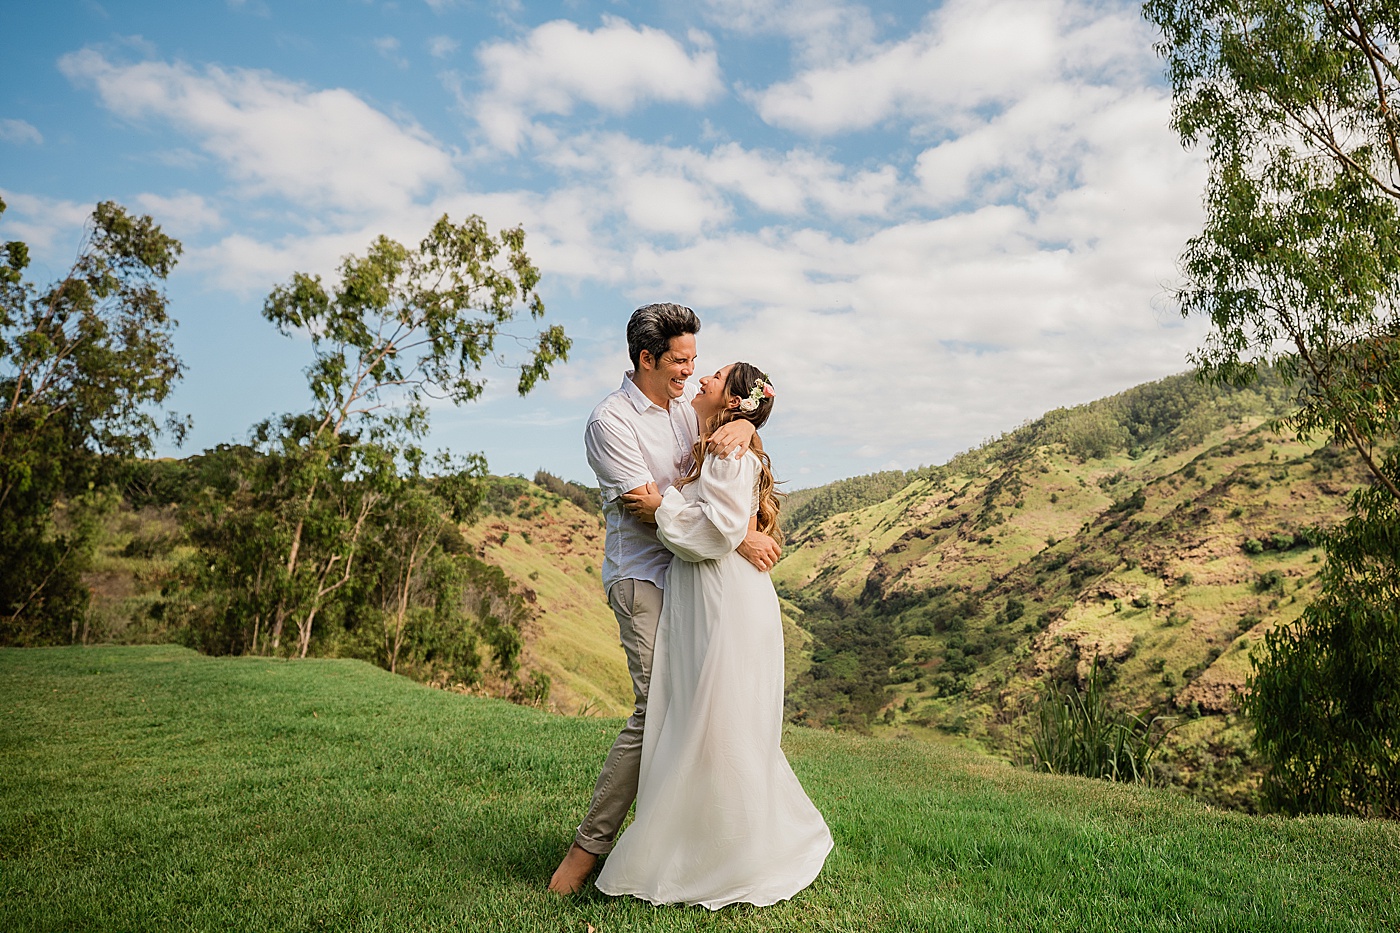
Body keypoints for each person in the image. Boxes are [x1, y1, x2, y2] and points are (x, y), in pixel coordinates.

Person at [548, 304, 780, 895]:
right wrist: (737, 538)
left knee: (701, 712)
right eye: (680, 361)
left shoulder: (685, 407)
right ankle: (587, 852)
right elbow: (646, 512)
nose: (689, 371)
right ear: (646, 359)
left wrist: (748, 424)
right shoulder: (612, 422)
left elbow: (734, 419)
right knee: (658, 712)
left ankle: (697, 845)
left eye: (695, 361)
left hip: (696, 582)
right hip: (645, 578)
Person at [593, 362, 833, 909]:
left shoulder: (727, 448)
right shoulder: (701, 432)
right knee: (702, 720)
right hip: (704, 595)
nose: (700, 377)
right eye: (693, 365)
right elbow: (726, 522)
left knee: (716, 720)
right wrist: (748, 423)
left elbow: (718, 531)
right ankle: (700, 843)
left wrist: (663, 506)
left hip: (722, 597)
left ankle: (722, 856)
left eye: (715, 374)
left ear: (732, 401)